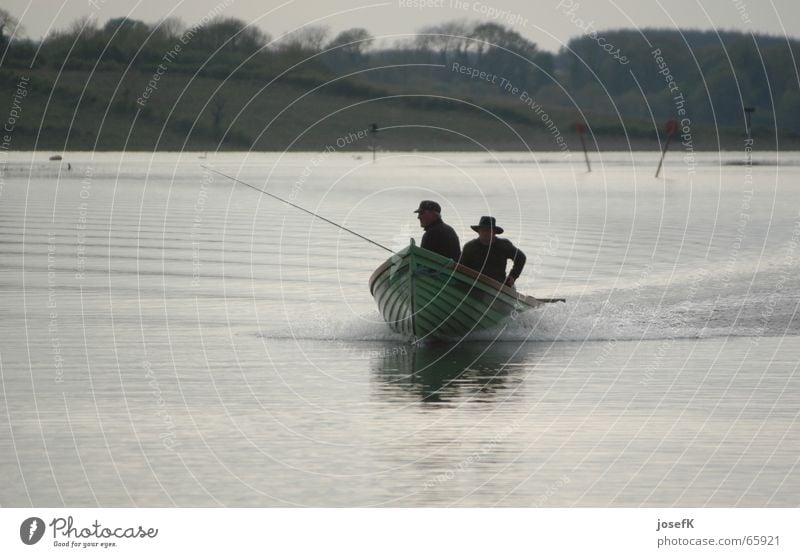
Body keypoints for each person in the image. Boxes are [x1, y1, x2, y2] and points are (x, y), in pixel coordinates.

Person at [460, 216, 526, 287]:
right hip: (473, 284)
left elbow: (521, 257)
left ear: (494, 232)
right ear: (478, 231)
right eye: (483, 230)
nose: (485, 233)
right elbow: (462, 266)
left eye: (488, 230)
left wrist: (513, 276)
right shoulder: (469, 247)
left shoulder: (504, 245)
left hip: (497, 285)